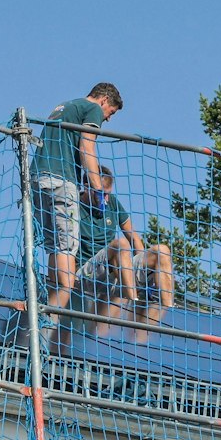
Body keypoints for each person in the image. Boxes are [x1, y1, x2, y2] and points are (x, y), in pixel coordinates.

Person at [30, 83, 122, 338]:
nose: (107, 118)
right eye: (110, 113)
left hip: (38, 180)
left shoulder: (63, 106)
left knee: (52, 244)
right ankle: (61, 310)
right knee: (67, 247)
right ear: (104, 100)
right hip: (62, 181)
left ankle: (50, 305)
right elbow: (87, 147)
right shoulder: (91, 109)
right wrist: (96, 189)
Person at [75, 165, 176, 341]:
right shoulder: (73, 204)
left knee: (162, 251)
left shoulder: (112, 203)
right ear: (86, 187)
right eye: (101, 194)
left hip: (115, 273)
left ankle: (169, 310)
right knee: (121, 245)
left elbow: (135, 239)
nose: (105, 199)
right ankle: (132, 303)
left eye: (107, 194)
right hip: (86, 274)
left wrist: (143, 269)